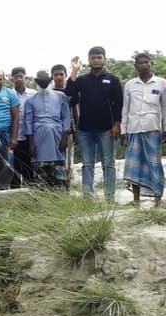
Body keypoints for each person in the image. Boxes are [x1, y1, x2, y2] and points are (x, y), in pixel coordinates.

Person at [65, 46, 123, 201]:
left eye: (99, 57)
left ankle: (110, 197)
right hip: (85, 130)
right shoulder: (82, 80)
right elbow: (68, 92)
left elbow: (119, 103)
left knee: (108, 164)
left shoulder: (113, 79)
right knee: (87, 164)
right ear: (88, 60)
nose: (96, 60)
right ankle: (88, 197)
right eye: (93, 57)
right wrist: (74, 71)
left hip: (107, 128)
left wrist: (117, 124)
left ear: (104, 59)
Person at [121, 53, 166, 207]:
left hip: (153, 128)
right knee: (135, 164)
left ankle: (158, 199)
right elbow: (125, 109)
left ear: (151, 63)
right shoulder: (130, 85)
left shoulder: (161, 83)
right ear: (135, 66)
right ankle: (136, 199)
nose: (143, 65)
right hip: (133, 129)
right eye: (139, 63)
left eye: (146, 62)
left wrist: (165, 128)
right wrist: (123, 131)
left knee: (154, 164)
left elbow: (165, 108)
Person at [24, 70, 73, 190]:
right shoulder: (30, 100)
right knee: (41, 173)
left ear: (50, 81)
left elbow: (66, 117)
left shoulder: (60, 96)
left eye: (46, 81)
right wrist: (31, 143)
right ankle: (42, 199)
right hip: (39, 138)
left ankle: (60, 197)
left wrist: (65, 137)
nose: (43, 84)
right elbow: (28, 122)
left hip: (58, 136)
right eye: (41, 82)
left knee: (59, 170)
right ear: (36, 82)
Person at [9, 67, 38, 188]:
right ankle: (14, 195)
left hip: (29, 137)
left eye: (21, 76)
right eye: (16, 77)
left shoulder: (33, 94)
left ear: (25, 77)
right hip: (13, 137)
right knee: (13, 168)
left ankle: (29, 197)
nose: (19, 79)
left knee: (28, 167)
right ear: (12, 79)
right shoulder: (8, 94)